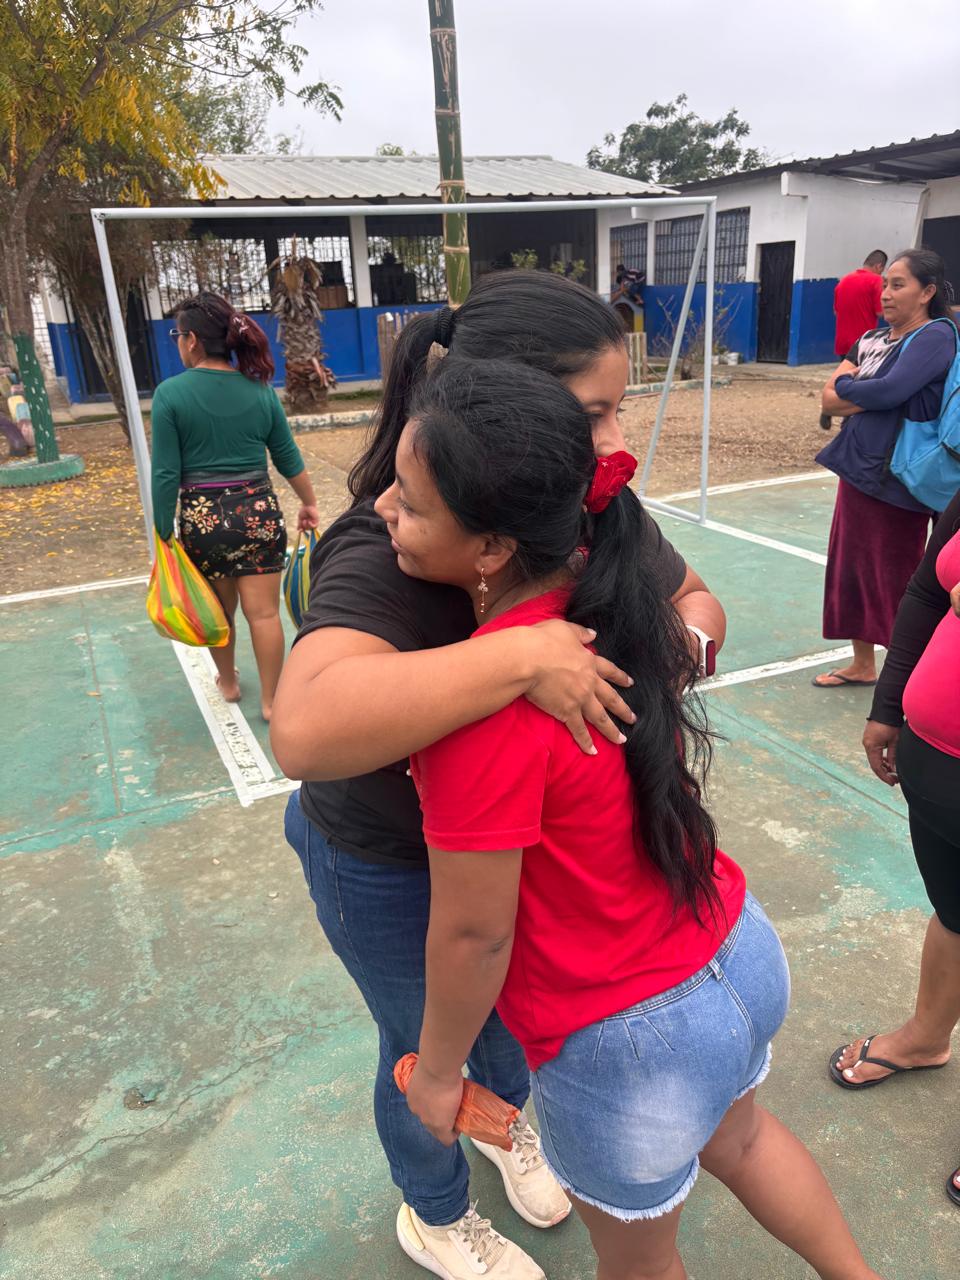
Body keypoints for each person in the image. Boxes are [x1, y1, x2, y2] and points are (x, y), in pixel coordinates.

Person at [385, 355, 883, 1280]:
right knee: (744, 1139)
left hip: (628, 1037)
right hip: (734, 949)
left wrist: (443, 1072)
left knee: (640, 1263)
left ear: (491, 549)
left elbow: (473, 934)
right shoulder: (619, 604)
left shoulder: (475, 717)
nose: (381, 510)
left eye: (407, 504)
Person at [272, 271, 727, 1280]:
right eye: (595, 411)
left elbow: (696, 602)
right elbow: (302, 728)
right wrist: (523, 656)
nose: (615, 441)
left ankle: (504, 1124)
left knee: (506, 1017)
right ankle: (434, 1211)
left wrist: (663, 654)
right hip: (387, 856)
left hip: (508, 847)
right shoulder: (386, 535)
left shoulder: (582, 503)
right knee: (422, 1043)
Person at [829, 484, 960, 1209]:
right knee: (955, 911)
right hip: (936, 766)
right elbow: (929, 587)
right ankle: (927, 1036)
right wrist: (889, 704)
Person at [150, 290, 319, 721]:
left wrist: (163, 531)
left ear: (191, 339)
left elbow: (166, 472)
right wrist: (309, 502)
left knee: (220, 612)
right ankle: (271, 700)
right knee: (264, 615)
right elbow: (287, 457)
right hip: (258, 514)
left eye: (177, 335)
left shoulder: (170, 394)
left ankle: (228, 683)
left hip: (204, 520)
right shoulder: (260, 391)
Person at [812, 249, 955, 689]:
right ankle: (862, 664)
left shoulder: (935, 335)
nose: (886, 294)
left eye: (898, 285)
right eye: (885, 285)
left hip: (898, 477)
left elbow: (891, 389)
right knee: (851, 570)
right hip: (858, 467)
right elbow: (829, 398)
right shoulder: (872, 337)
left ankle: (907, 677)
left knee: (896, 577)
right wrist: (864, 392)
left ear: (927, 292)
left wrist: (854, 386)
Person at [820, 251, 887, 430]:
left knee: (842, 378)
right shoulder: (875, 280)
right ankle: (846, 419)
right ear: (879, 266)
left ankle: (830, 407)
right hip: (864, 342)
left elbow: (836, 311)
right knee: (861, 382)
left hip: (843, 340)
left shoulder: (844, 281)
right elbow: (880, 312)